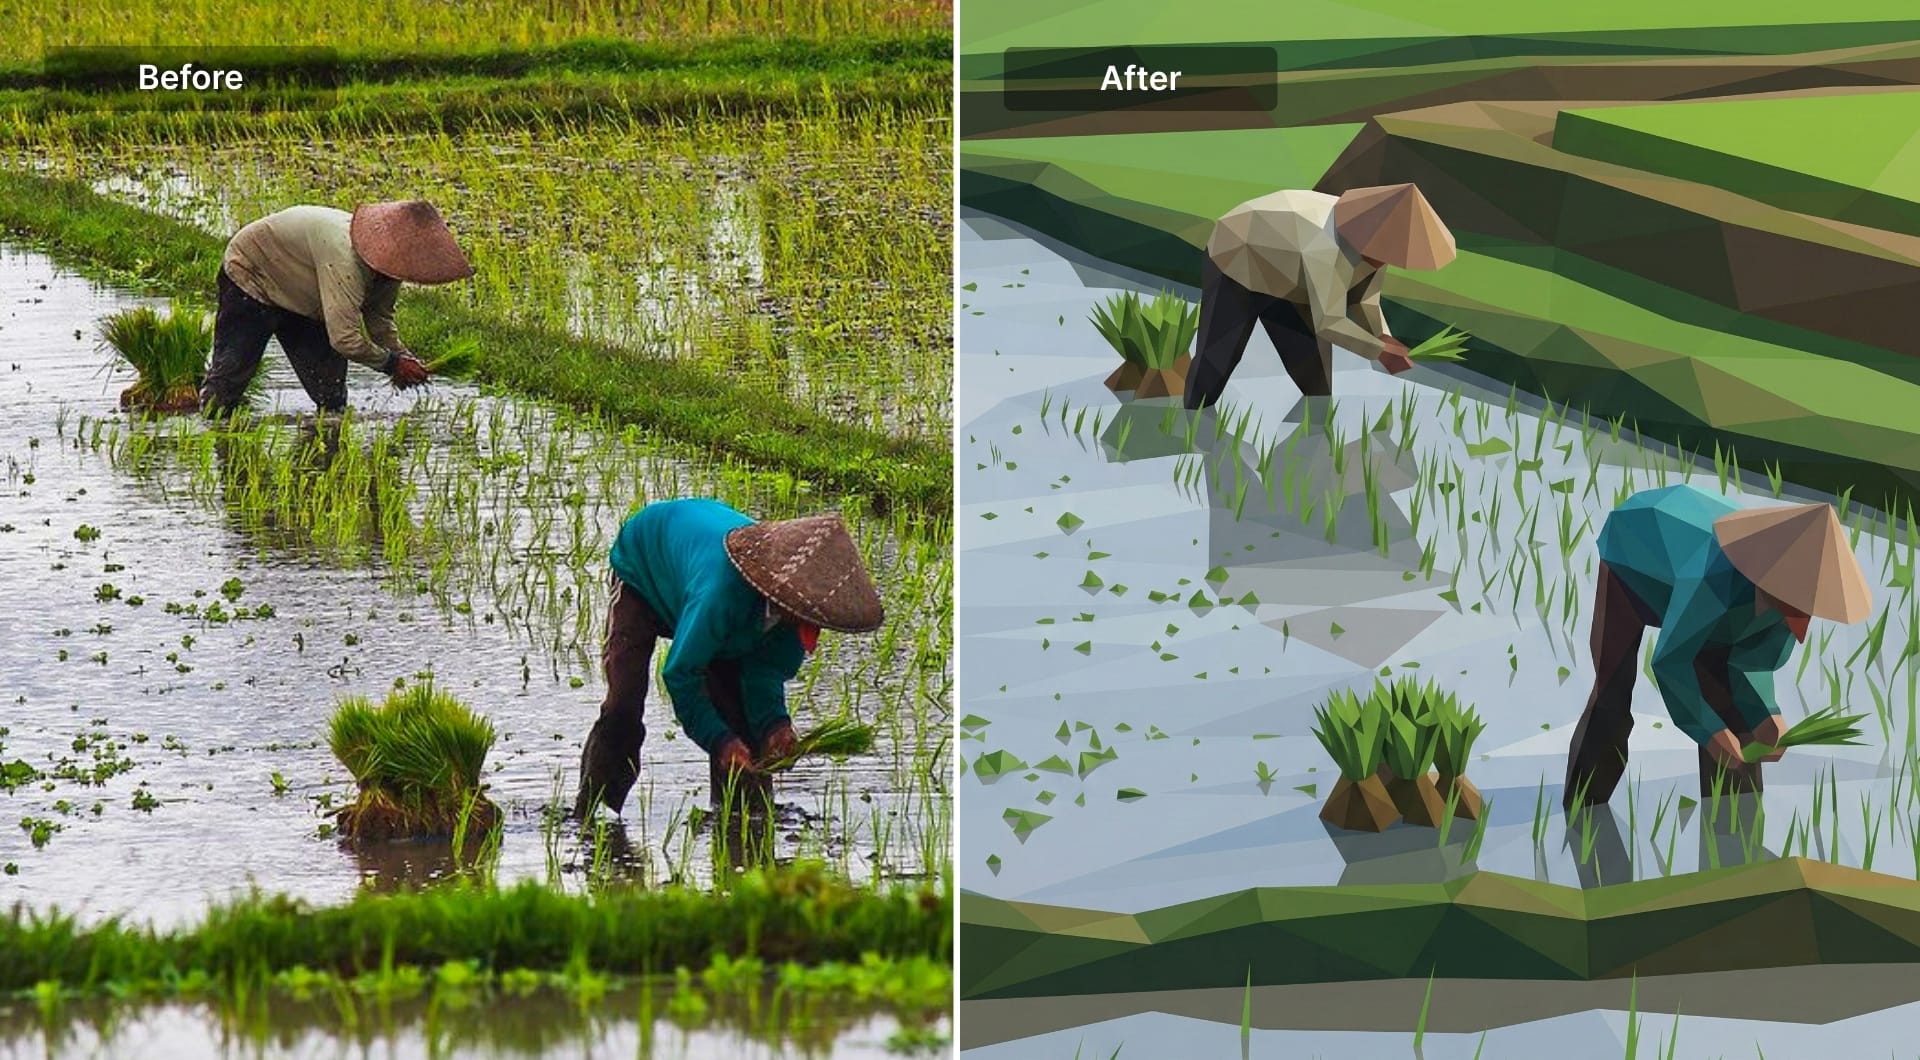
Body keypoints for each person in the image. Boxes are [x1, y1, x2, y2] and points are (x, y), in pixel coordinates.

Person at [1564, 485, 1871, 808]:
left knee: (1737, 722)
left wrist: (1766, 716)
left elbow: (1752, 664)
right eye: (1794, 606)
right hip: (1631, 564)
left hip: (1711, 604)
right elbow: (1671, 662)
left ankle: (1736, 835)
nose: (1800, 622)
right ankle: (1584, 808)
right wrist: (1709, 733)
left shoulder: (1791, 605)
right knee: (1611, 698)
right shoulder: (1713, 576)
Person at [574, 499, 885, 817]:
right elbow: (681, 673)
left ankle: (740, 819)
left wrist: (775, 726)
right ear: (783, 598)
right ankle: (592, 814)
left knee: (740, 723)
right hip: (644, 567)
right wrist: (718, 741)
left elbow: (764, 673)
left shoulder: (798, 613)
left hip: (703, 587)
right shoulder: (720, 595)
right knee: (623, 705)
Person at [1185, 183, 1455, 409]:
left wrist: (1383, 336)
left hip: (1292, 281)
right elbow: (1330, 322)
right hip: (1236, 261)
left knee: (1316, 383)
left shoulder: (1377, 253)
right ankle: (1192, 426)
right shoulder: (1324, 247)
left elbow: (1364, 300)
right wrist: (1379, 352)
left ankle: (1301, 459)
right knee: (1217, 362)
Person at [200, 201, 473, 414]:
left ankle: (327, 461)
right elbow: (345, 339)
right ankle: (212, 439)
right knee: (226, 387)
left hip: (307, 296)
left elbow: (379, 321)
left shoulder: (389, 270)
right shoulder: (345, 258)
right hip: (253, 273)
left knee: (331, 399)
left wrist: (403, 357)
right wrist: (391, 365)